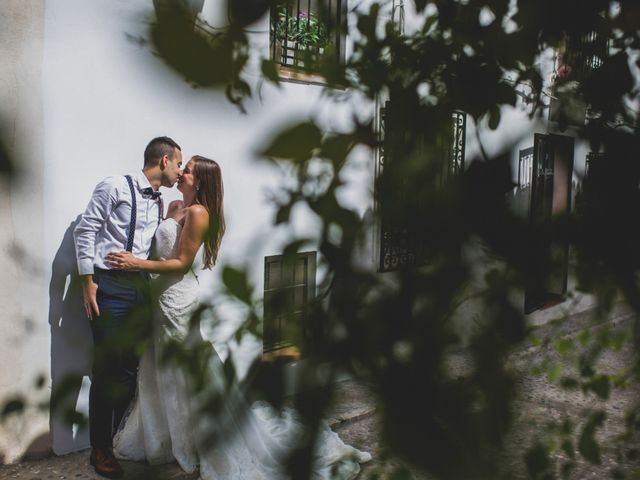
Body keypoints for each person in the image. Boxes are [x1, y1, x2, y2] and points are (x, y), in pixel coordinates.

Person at [106, 156, 372, 479]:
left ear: (200, 180)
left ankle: (203, 441)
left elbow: (179, 263)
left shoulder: (200, 214)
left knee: (189, 372)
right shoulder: (174, 204)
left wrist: (134, 264)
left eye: (187, 170)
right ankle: (169, 439)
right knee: (160, 365)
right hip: (158, 299)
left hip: (178, 299)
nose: (182, 173)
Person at [73, 136, 183, 478]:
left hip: (140, 286)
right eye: (178, 163)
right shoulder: (114, 186)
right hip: (109, 285)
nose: (179, 171)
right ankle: (99, 448)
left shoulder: (161, 201)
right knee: (106, 366)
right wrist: (87, 280)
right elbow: (85, 230)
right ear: (163, 161)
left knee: (132, 365)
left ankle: (122, 434)